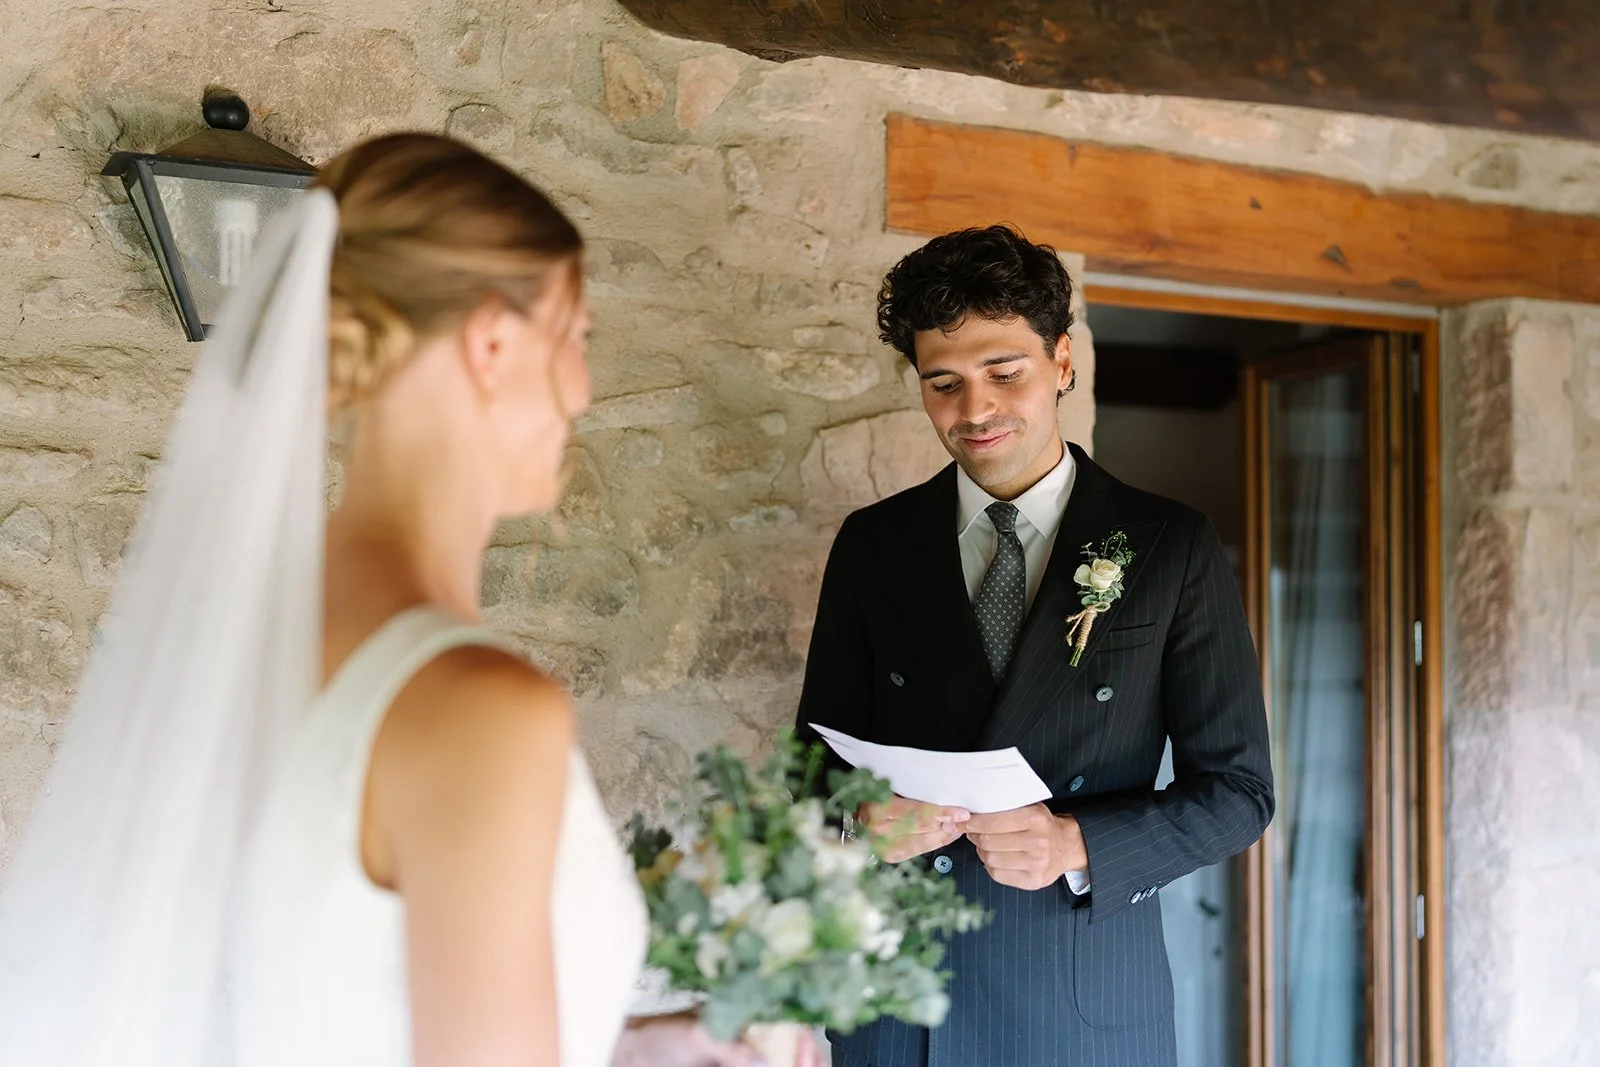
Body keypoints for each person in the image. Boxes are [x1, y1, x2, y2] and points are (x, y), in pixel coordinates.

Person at [0, 134, 784, 1067]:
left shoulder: (259, 638)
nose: (581, 389)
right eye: (577, 338)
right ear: (493, 343)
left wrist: (634, 1046)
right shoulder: (480, 708)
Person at [795, 225, 1274, 1067]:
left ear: (1061, 360)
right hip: (903, 1009)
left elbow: (1238, 792)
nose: (973, 410)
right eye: (942, 383)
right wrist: (853, 824)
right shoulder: (874, 544)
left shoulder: (1170, 544)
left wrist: (1076, 843)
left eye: (1003, 372)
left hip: (1080, 1011)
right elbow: (810, 764)